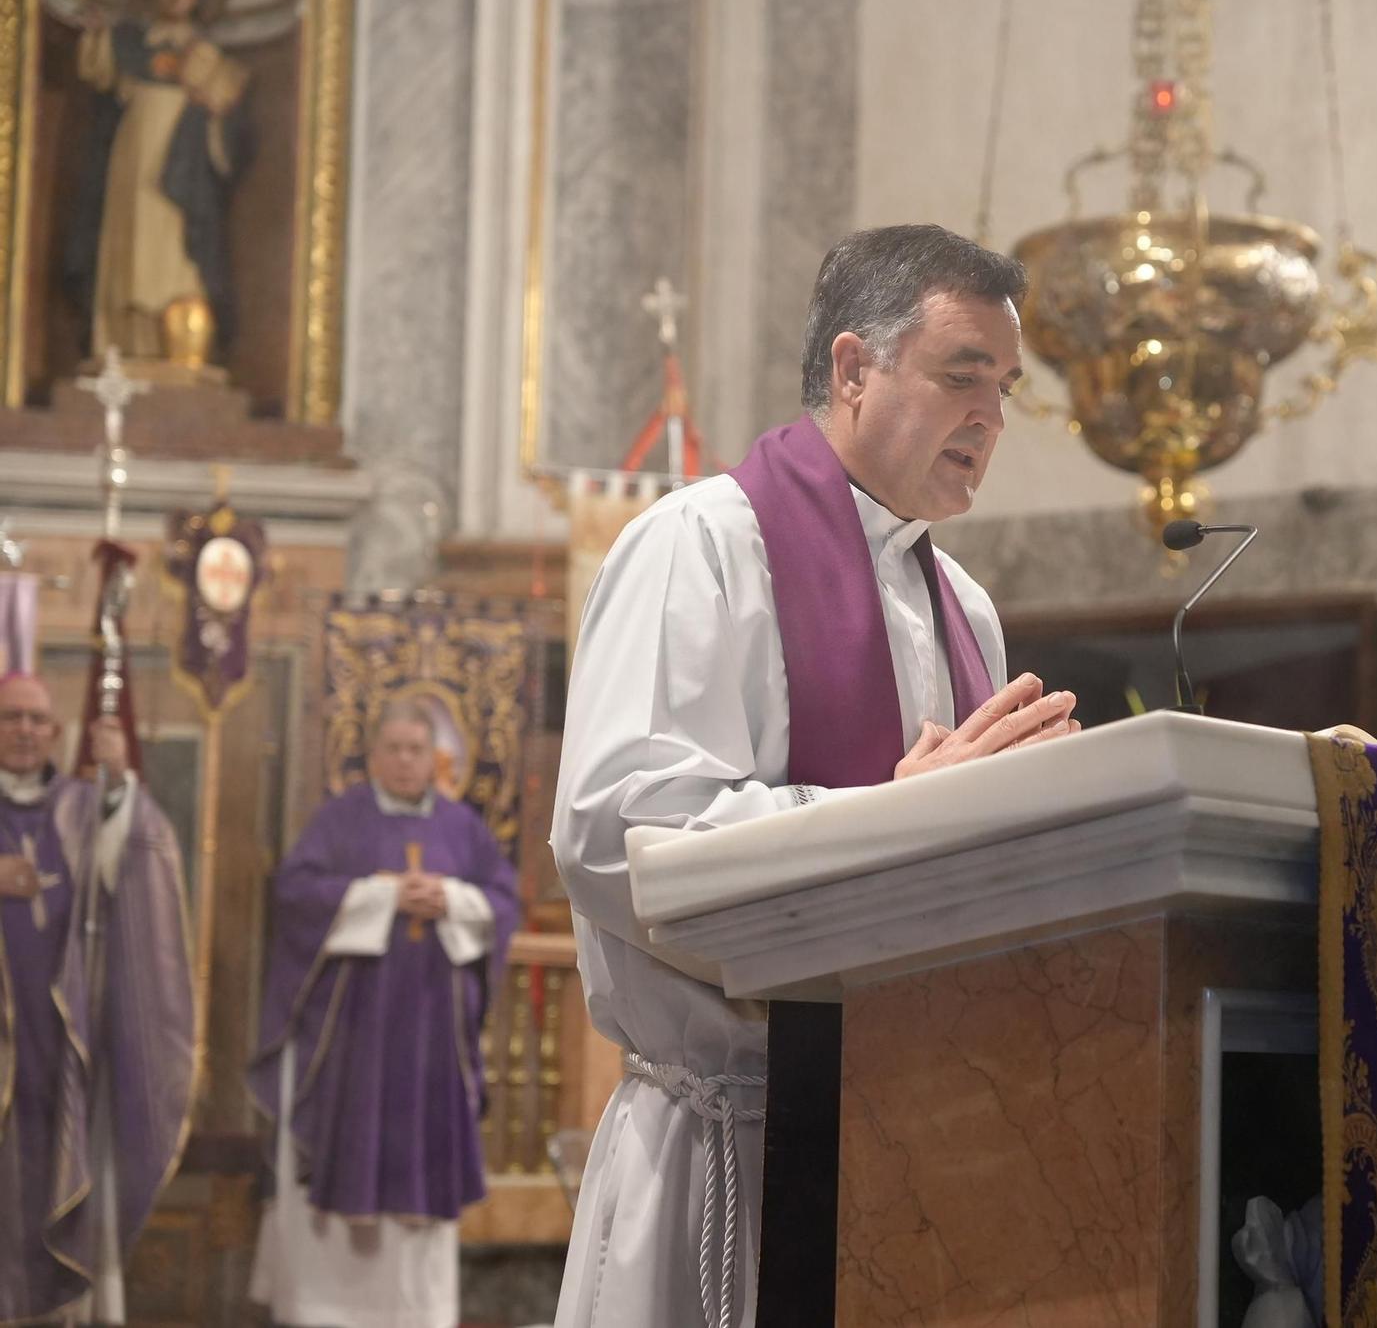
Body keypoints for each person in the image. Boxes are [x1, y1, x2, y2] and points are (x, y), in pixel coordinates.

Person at [551, 224, 1081, 1327]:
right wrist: (891, 820)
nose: (988, 420)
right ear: (851, 369)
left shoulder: (962, 606)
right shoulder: (697, 546)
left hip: (912, 1134)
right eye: (958, 378)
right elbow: (617, 834)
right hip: (730, 1145)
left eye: (1005, 390)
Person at [248, 698, 520, 1328]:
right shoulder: (339, 821)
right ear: (373, 757)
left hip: (430, 1040)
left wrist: (450, 898)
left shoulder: (462, 829)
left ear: (434, 758)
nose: (404, 760)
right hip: (354, 1042)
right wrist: (382, 895)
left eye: (415, 750)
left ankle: (416, 1313)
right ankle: (325, 1309)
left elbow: (503, 900)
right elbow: (294, 896)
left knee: (420, 1174)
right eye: (392, 749)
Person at [0, 670, 195, 1324]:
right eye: (10, 717)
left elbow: (135, 858)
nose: (24, 730)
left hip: (63, 1047)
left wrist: (120, 788)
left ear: (57, 731)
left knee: (57, 1173)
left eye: (36, 718)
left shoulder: (80, 804)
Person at [66, 0, 251, 367]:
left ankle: (179, 345)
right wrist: (97, 31)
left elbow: (229, 115)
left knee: (175, 251)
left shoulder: (207, 53)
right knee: (128, 243)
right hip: (133, 153)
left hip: (184, 162)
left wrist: (213, 102)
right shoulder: (132, 42)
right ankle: (119, 344)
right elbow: (98, 70)